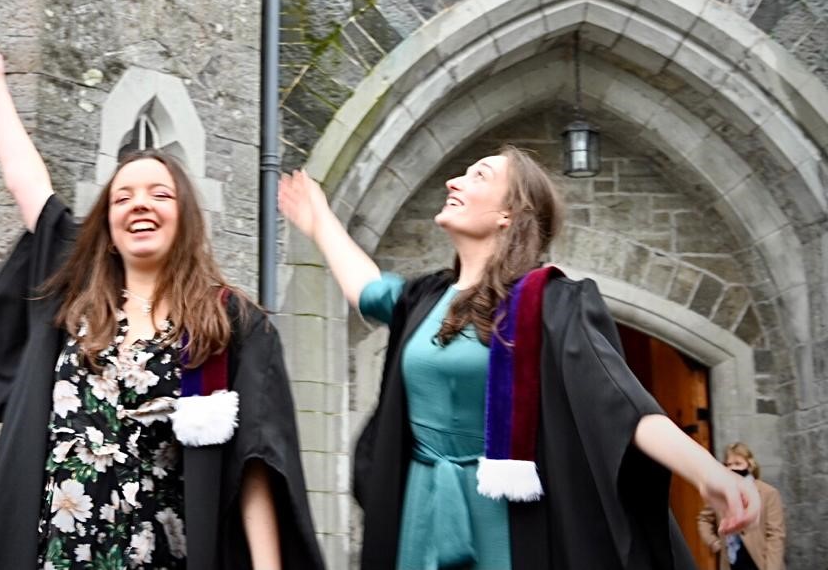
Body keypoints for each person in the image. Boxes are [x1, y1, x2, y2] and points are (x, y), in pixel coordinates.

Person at [0, 35, 324, 570]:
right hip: (57, 552)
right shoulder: (74, 289)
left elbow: (257, 461)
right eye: (124, 196)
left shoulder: (228, 322)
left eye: (159, 194)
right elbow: (30, 187)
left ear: (185, 217)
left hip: (159, 554)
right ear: (108, 224)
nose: (140, 203)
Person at [279, 146, 760, 570]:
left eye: (479, 175)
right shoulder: (424, 299)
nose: (454, 180)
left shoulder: (552, 304)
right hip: (419, 512)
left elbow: (622, 405)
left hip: (505, 520)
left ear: (509, 213)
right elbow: (366, 287)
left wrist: (707, 472)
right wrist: (319, 219)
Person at [698, 442, 785, 570]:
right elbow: (704, 519)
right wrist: (714, 543)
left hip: (760, 563)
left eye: (738, 463)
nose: (732, 468)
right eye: (728, 464)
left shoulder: (768, 493)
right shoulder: (721, 494)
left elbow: (775, 535)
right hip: (731, 563)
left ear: (749, 465)